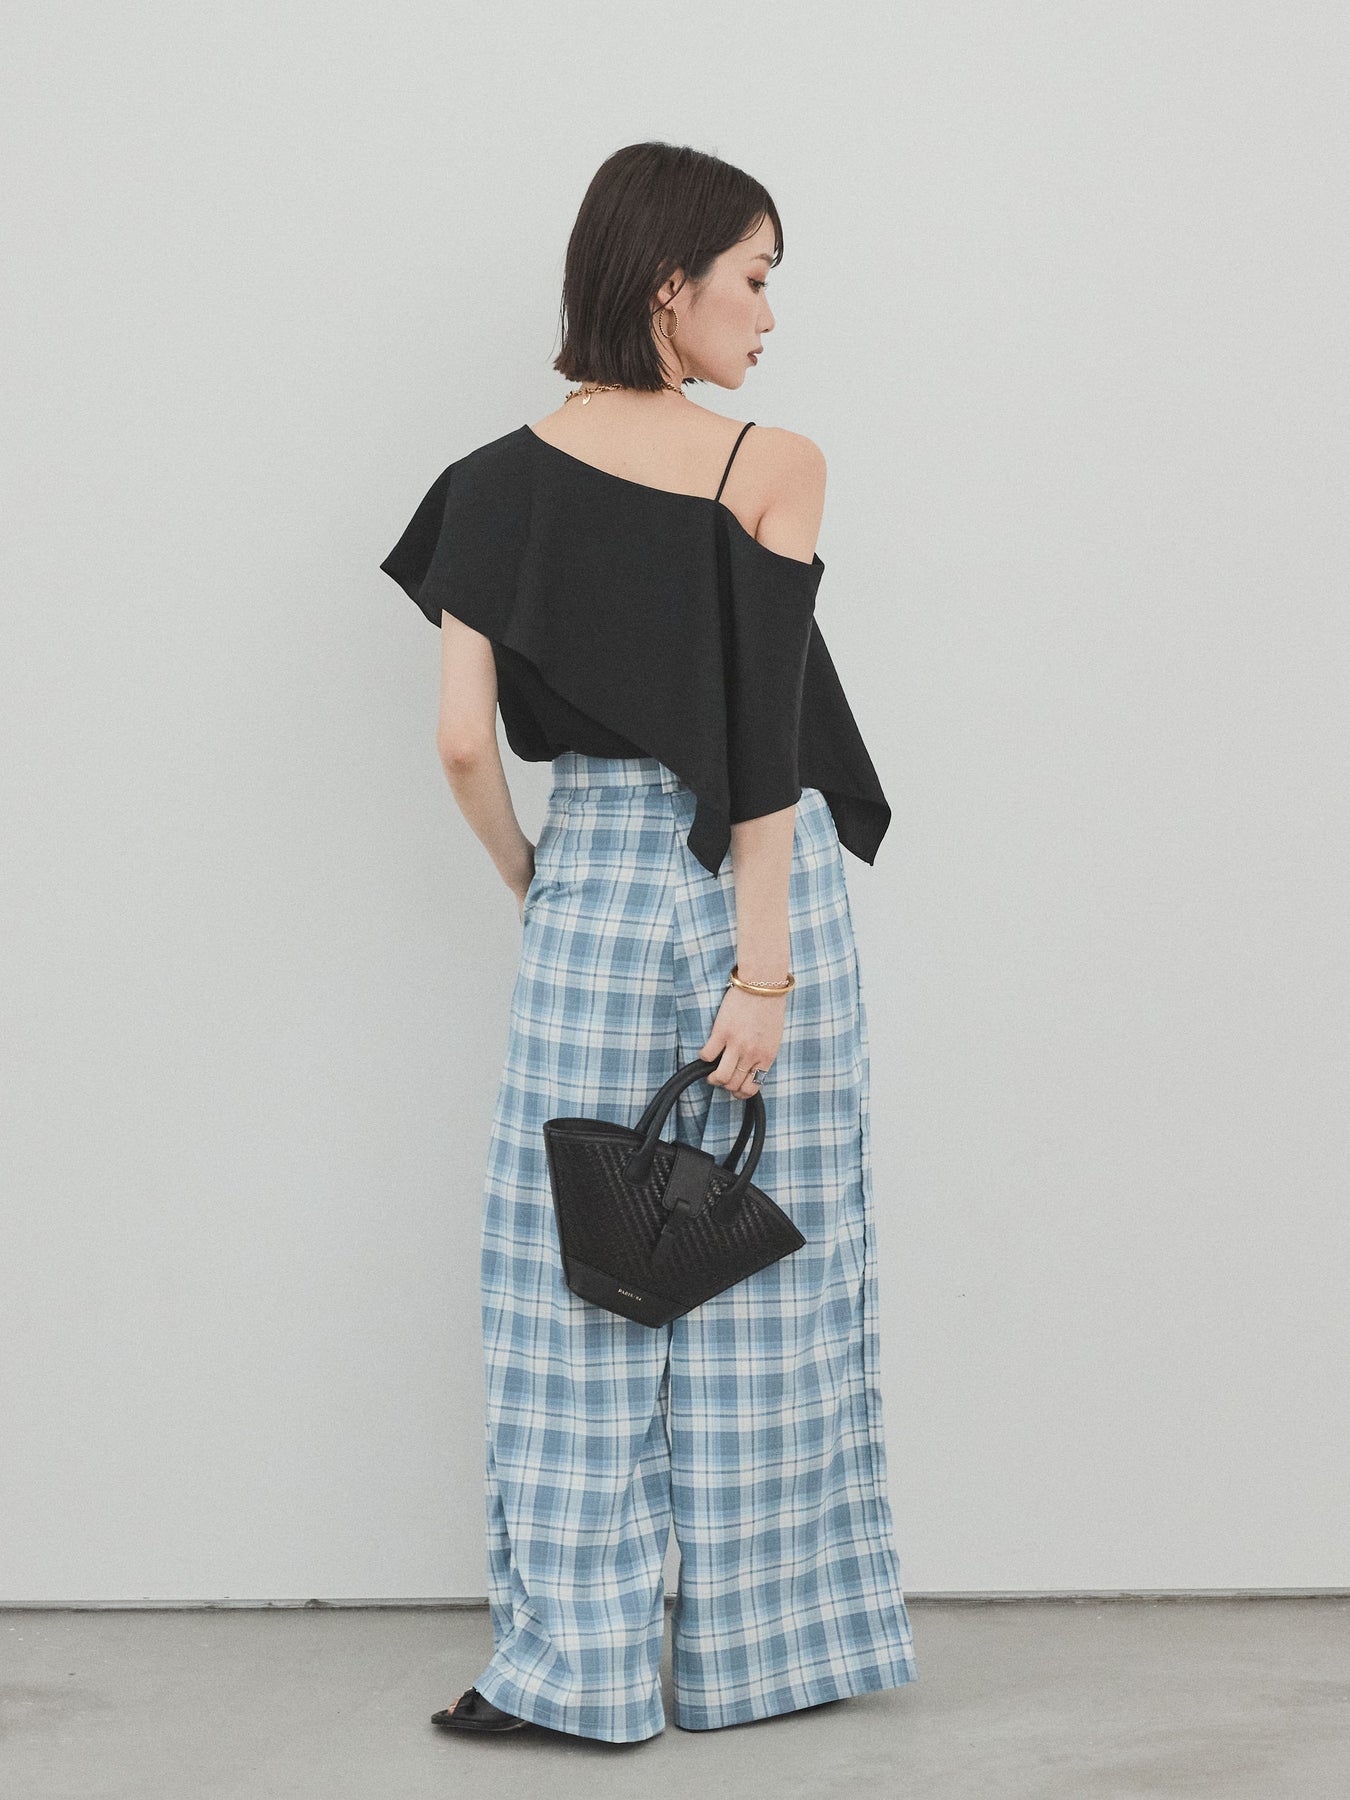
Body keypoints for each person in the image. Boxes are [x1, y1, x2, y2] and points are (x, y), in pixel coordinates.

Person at [379, 139, 919, 1744]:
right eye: (754, 277)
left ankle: (575, 1673)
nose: (769, 314)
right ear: (669, 284)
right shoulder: (772, 463)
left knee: (574, 1276)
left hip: (595, 880)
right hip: (759, 885)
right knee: (765, 1258)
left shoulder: (484, 486)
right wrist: (760, 968)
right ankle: (766, 1654)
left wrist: (536, 883)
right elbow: (758, 748)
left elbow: (462, 743)